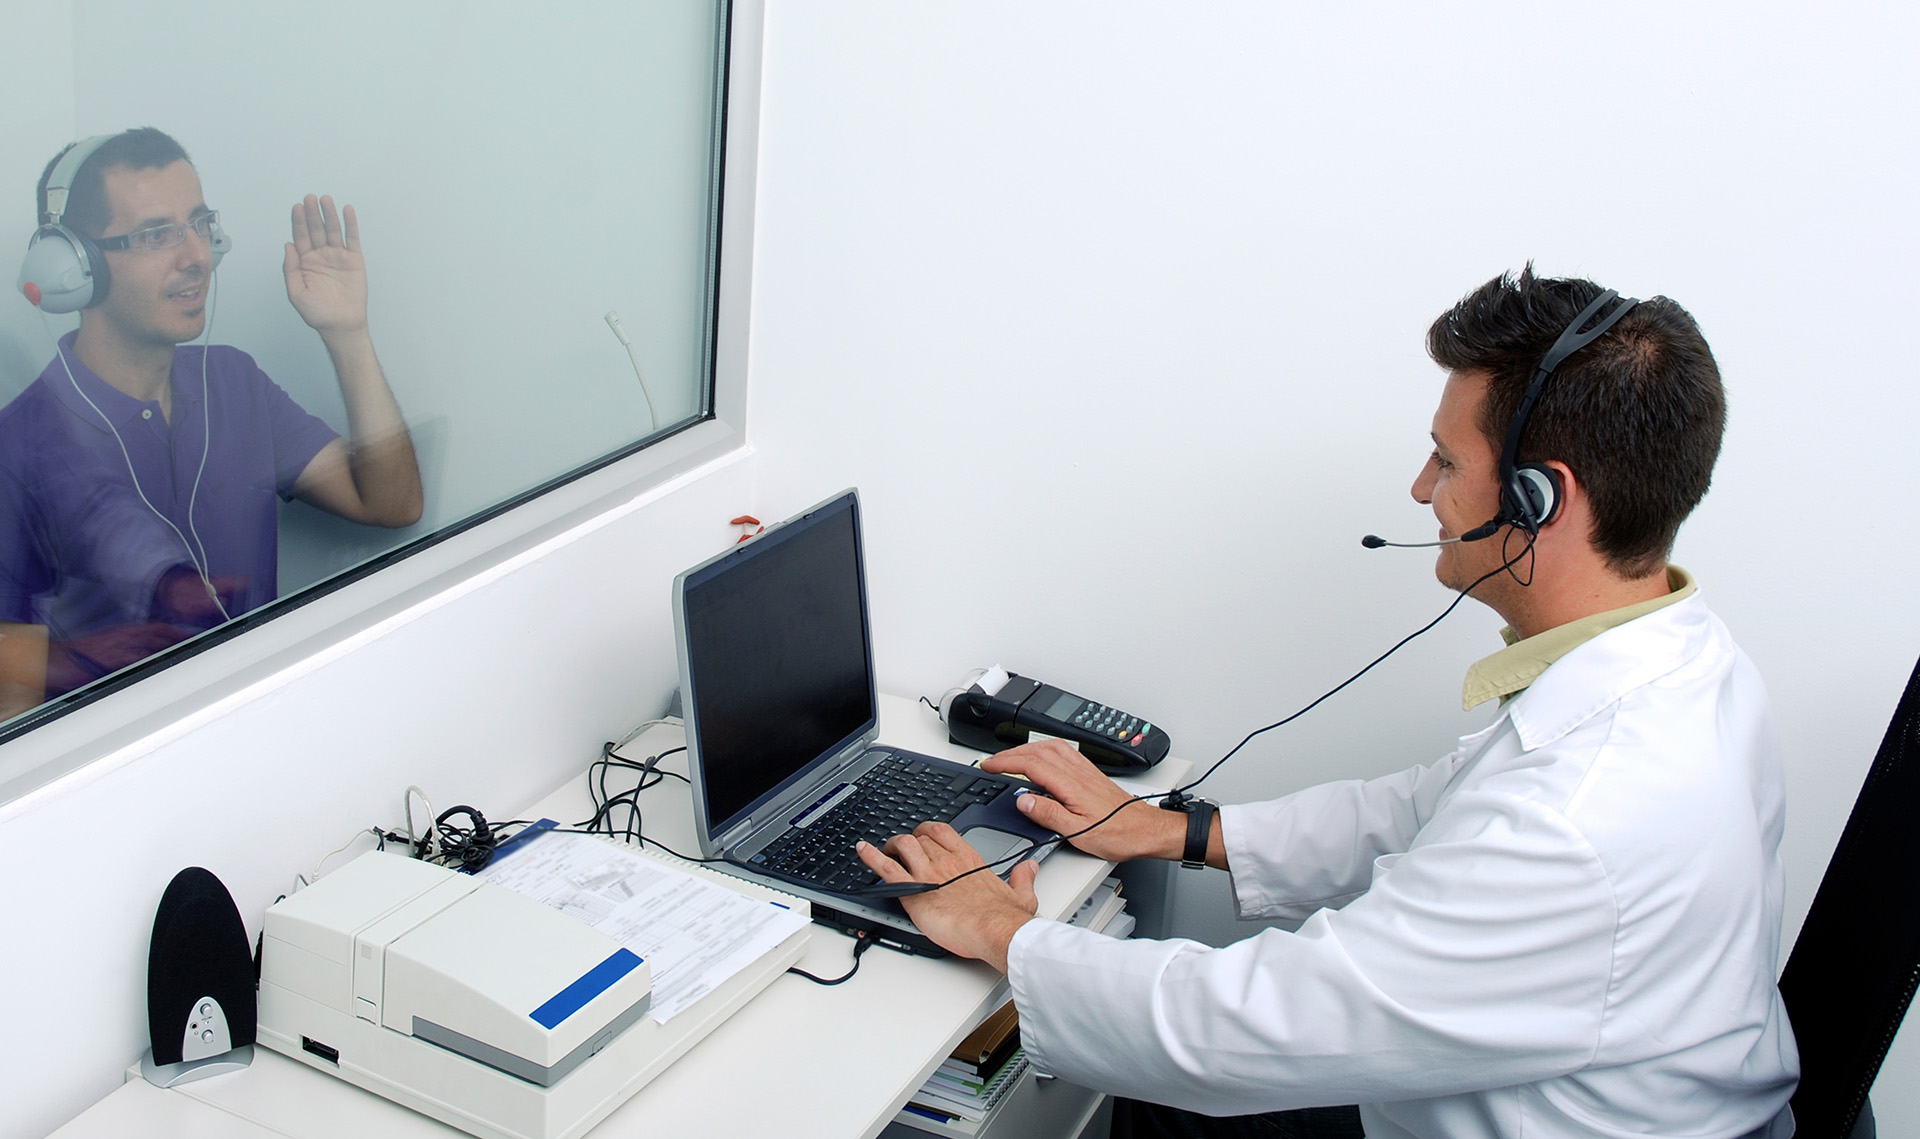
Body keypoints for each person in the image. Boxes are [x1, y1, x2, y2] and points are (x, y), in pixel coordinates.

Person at [858, 268, 1799, 1138]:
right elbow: (1429, 811)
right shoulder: (1681, 659)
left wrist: (1001, 930)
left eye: (1444, 461)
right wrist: (1172, 830)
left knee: (1160, 1097)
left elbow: (1246, 1030)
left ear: (1535, 500)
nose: (1422, 489)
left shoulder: (1579, 815)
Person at [1, 128, 422, 708]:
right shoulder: (18, 444)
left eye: (199, 224)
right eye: (156, 234)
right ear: (75, 266)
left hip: (268, 726)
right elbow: (9, 694)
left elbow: (390, 503)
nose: (198, 255)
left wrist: (346, 332)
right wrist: (97, 659)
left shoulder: (234, 380)